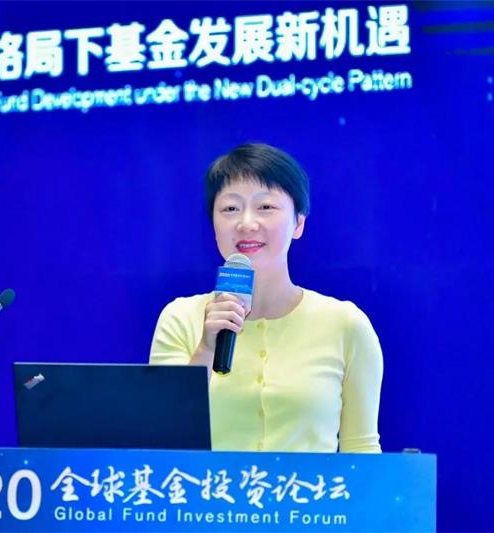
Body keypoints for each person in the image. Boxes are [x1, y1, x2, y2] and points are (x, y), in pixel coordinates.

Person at [149, 143, 383, 453]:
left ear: (298, 223)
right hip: (207, 488)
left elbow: (362, 452)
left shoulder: (345, 324)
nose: (246, 223)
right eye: (230, 209)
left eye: (266, 207)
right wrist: (206, 349)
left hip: (308, 488)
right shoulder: (180, 318)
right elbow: (161, 442)